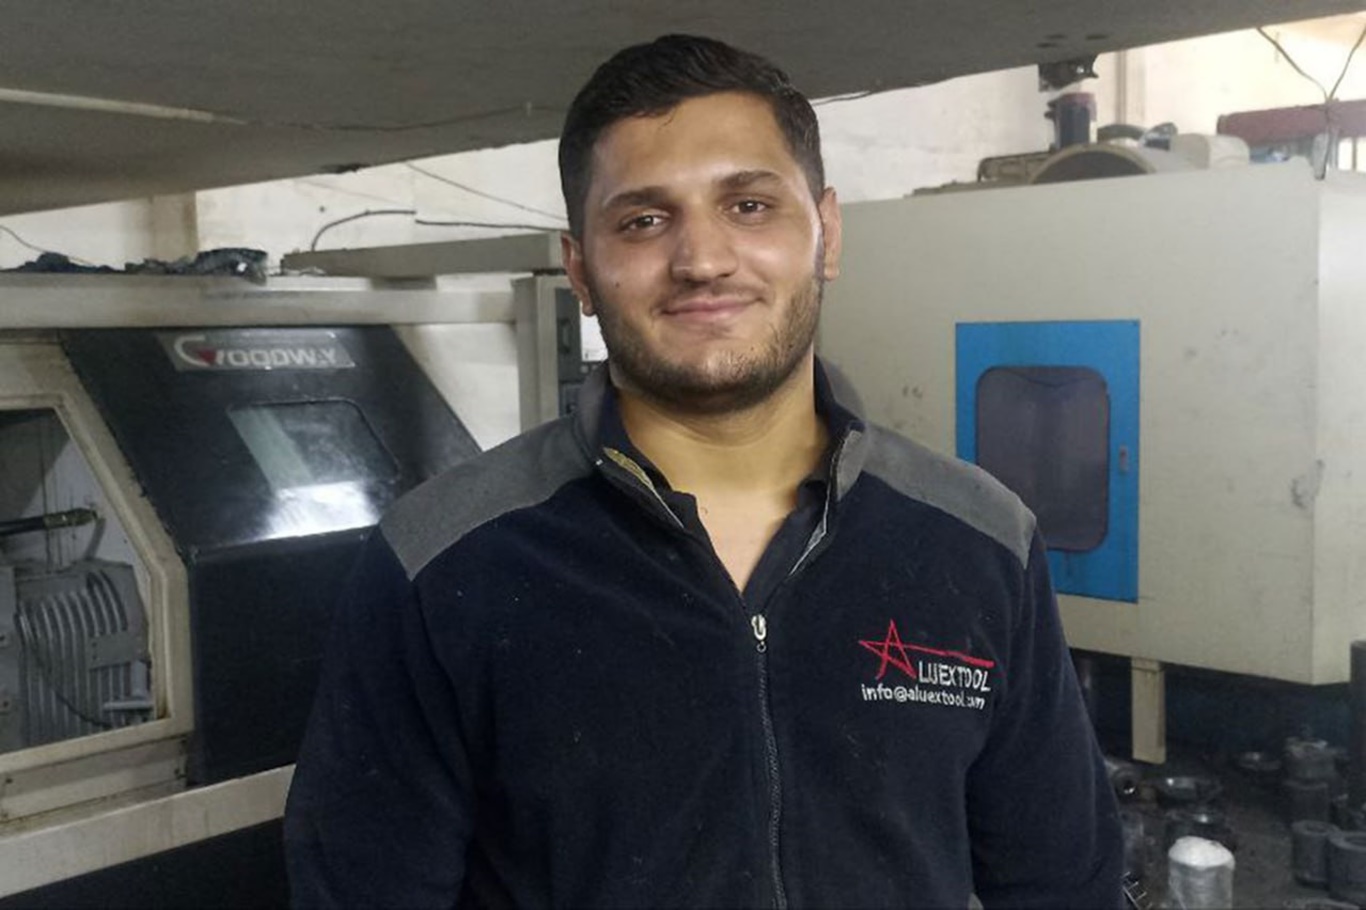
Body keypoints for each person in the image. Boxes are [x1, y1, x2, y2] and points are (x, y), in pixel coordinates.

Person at [285, 34, 1123, 909]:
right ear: (580, 269)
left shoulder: (977, 540)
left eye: (749, 205)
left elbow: (1063, 886)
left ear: (827, 233)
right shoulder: (442, 566)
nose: (702, 260)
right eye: (643, 221)